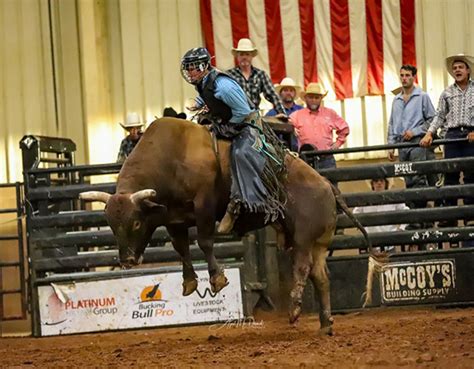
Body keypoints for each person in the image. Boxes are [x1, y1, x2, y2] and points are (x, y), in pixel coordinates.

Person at [181, 47, 287, 234]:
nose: (190, 72)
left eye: (193, 67)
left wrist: (227, 125)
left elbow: (243, 112)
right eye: (188, 68)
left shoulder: (224, 86)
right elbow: (207, 94)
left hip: (245, 125)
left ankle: (237, 202)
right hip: (226, 122)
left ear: (204, 66)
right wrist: (199, 104)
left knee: (240, 153)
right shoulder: (205, 81)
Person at [420, 54, 474, 227]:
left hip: (470, 136)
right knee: (450, 175)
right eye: (455, 68)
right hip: (451, 136)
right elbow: (439, 116)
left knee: (471, 175)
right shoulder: (447, 93)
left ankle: (470, 214)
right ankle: (449, 215)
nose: (457, 70)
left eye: (460, 67)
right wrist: (430, 133)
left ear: (468, 70)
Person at [387, 64, 437, 223]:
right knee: (408, 179)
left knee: (418, 178)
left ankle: (421, 218)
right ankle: (416, 218)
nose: (404, 78)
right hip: (402, 144)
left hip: (417, 143)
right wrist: (391, 145)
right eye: (402, 75)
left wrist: (415, 131)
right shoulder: (396, 99)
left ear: (413, 77)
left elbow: (433, 119)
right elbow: (392, 123)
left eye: (407, 75)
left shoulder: (422, 96)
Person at [289, 82, 349, 170]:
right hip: (306, 159)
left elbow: (344, 128)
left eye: (316, 97)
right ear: (305, 98)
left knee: (330, 182)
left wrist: (338, 143)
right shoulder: (296, 115)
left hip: (326, 158)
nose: (313, 100)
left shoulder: (330, 113)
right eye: (310, 97)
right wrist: (292, 129)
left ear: (321, 99)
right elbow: (287, 124)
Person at [227, 38, 285, 115]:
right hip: (235, 116)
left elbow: (272, 95)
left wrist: (281, 113)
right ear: (237, 56)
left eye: (247, 54)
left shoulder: (260, 74)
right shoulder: (229, 75)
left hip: (254, 116)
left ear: (252, 56)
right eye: (241, 54)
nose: (244, 57)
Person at [353, 178, 409, 253]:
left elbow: (406, 212)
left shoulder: (393, 199)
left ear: (386, 183)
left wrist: (401, 229)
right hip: (371, 246)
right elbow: (354, 215)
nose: (379, 183)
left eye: (381, 181)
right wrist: (363, 232)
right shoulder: (365, 200)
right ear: (372, 184)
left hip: (389, 246)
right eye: (376, 181)